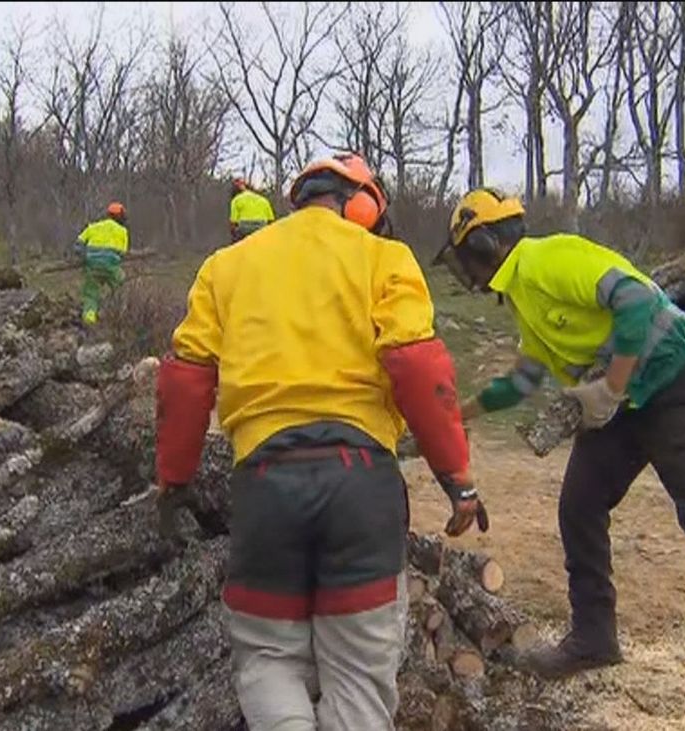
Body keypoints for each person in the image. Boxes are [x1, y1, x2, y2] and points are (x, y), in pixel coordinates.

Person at [433, 189, 685, 731]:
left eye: (465, 252)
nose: (465, 268)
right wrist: (459, 415)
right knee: (579, 507)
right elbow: (524, 378)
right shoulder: (522, 295)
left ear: (485, 242)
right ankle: (593, 637)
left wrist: (610, 386)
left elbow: (633, 301)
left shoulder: (550, 258)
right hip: (626, 402)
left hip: (677, 381)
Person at [154, 153, 488, 731]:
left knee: (268, 659)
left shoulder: (227, 265)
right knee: (358, 674)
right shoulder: (385, 258)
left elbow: (185, 377)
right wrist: (458, 480)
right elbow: (417, 367)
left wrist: (174, 480)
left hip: (263, 485)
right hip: (361, 485)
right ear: (363, 204)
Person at [75, 201, 129, 325]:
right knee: (122, 287)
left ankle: (89, 319)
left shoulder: (93, 227)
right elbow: (122, 253)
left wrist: (84, 258)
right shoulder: (122, 231)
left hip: (92, 266)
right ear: (121, 217)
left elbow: (78, 245)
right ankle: (120, 316)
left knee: (90, 294)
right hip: (111, 266)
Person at [228, 178, 276, 242]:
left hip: (245, 228)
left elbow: (233, 223)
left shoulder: (236, 200)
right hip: (261, 227)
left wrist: (234, 238)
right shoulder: (264, 200)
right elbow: (271, 221)